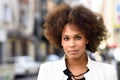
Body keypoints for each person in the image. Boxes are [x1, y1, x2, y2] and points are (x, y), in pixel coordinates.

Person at [37, 3, 117, 80]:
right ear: (60, 40)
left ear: (87, 38)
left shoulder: (107, 72)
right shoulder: (46, 72)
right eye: (66, 38)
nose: (72, 44)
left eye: (78, 37)